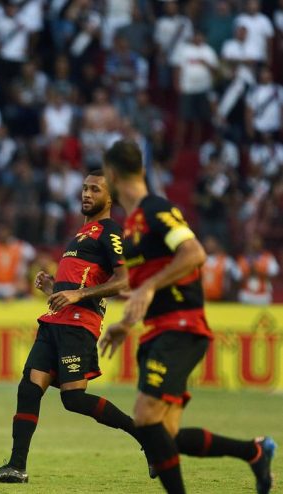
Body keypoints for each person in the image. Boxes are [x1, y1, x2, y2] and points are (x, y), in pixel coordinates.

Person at [98, 140, 275, 494]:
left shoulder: (156, 210)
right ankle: (254, 452)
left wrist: (148, 287)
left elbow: (194, 253)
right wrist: (127, 323)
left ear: (111, 175)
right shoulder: (132, 225)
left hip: (181, 328)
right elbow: (152, 285)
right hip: (158, 330)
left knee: (145, 419)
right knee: (166, 435)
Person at [0, 170, 139, 483]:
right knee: (29, 387)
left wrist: (78, 294)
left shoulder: (110, 232)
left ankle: (143, 435)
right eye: (85, 188)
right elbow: (78, 284)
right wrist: (54, 288)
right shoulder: (81, 234)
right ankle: (16, 467)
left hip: (78, 326)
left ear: (111, 198)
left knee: (73, 399)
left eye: (95, 189)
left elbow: (124, 280)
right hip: (55, 321)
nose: (87, 194)